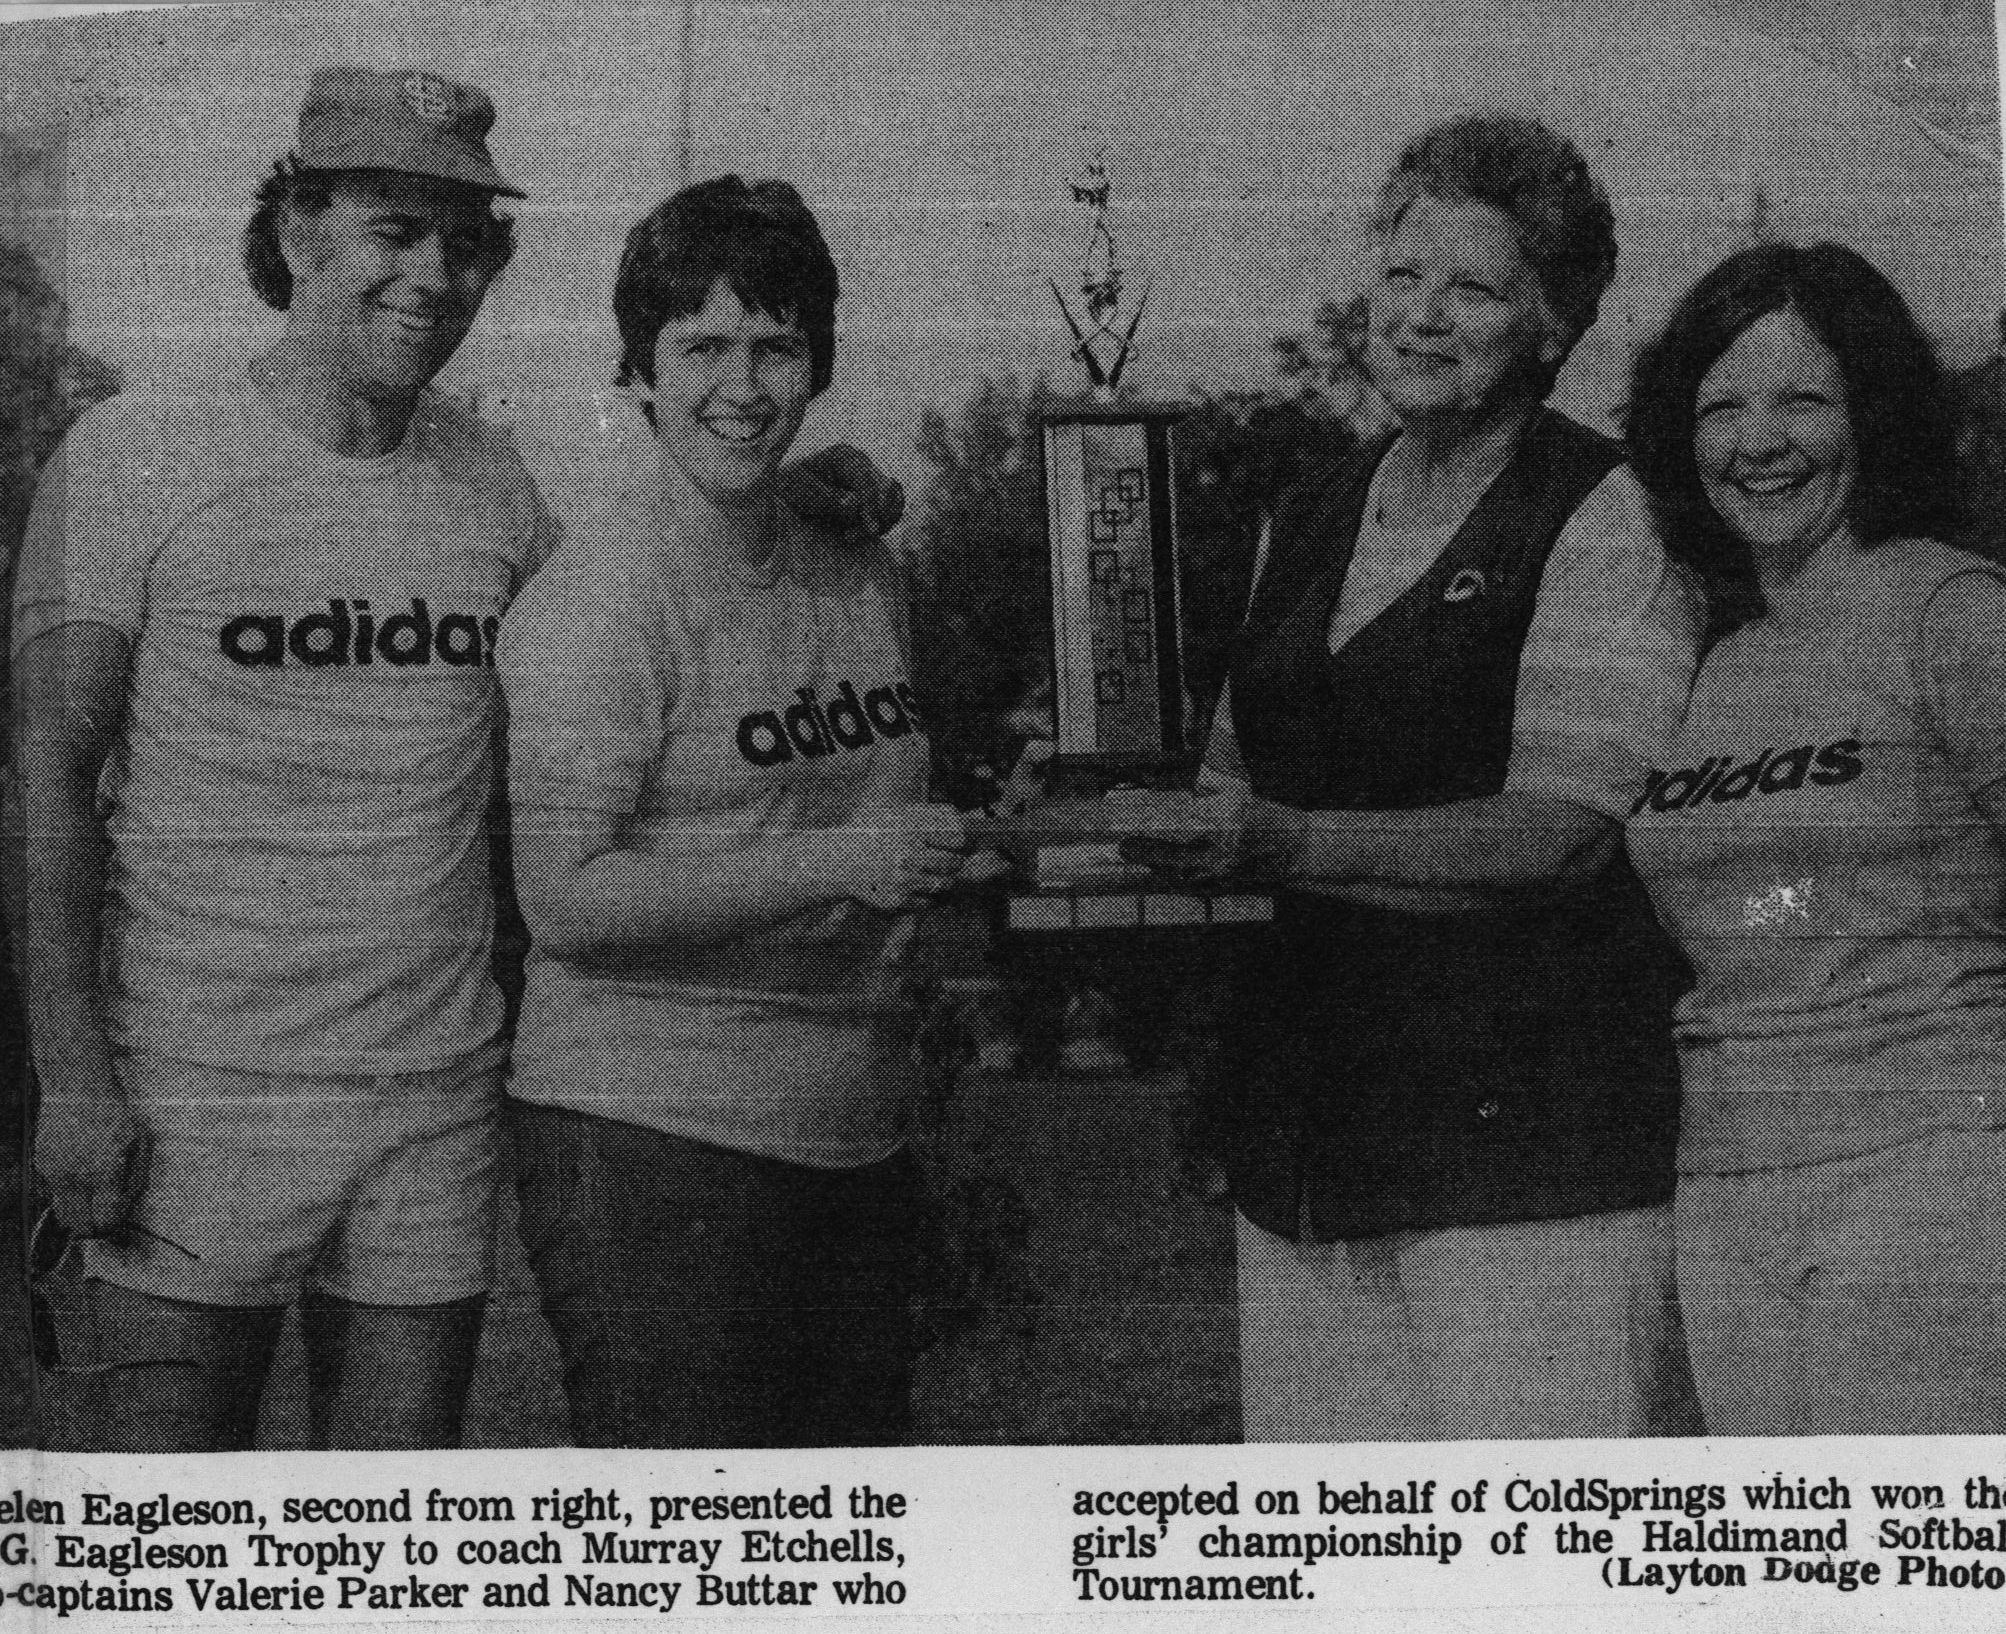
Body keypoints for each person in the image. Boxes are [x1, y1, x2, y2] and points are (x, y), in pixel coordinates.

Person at [13, 70, 896, 1452]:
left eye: (464, 240)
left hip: (430, 1104)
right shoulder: (132, 452)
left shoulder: (491, 479)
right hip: (194, 1095)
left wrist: (801, 479)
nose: (433, 273)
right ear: (298, 231)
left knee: (389, 1555)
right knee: (160, 1553)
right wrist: (72, 1079)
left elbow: (641, 588)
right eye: (392, 229)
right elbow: (49, 772)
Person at [1189, 115, 1700, 1439]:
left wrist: (1282, 842)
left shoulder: (1609, 510)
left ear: (1552, 325)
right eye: (1405, 275)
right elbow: (1223, 787)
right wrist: (1084, 813)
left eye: (1474, 288)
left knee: (1535, 1567)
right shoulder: (1305, 508)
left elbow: (1561, 833)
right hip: (1306, 1158)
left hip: (1531, 1172)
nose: (1422, 316)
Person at [498, 176, 967, 1448]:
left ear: (818, 360)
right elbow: (567, 898)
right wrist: (842, 859)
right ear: (638, 372)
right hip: (654, 1130)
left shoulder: (851, 553)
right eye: (699, 346)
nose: (741, 385)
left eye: (775, 346)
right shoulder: (600, 596)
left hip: (850, 1128)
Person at [1624, 242, 2006, 1434]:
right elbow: (1748, 909)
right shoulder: (1708, 653)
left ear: (1874, 413)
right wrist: (1807, 903)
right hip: (1726, 1182)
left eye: (1802, 398)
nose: (1758, 440)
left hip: (1932, 1165)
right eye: (1720, 406)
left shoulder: (1952, 611)